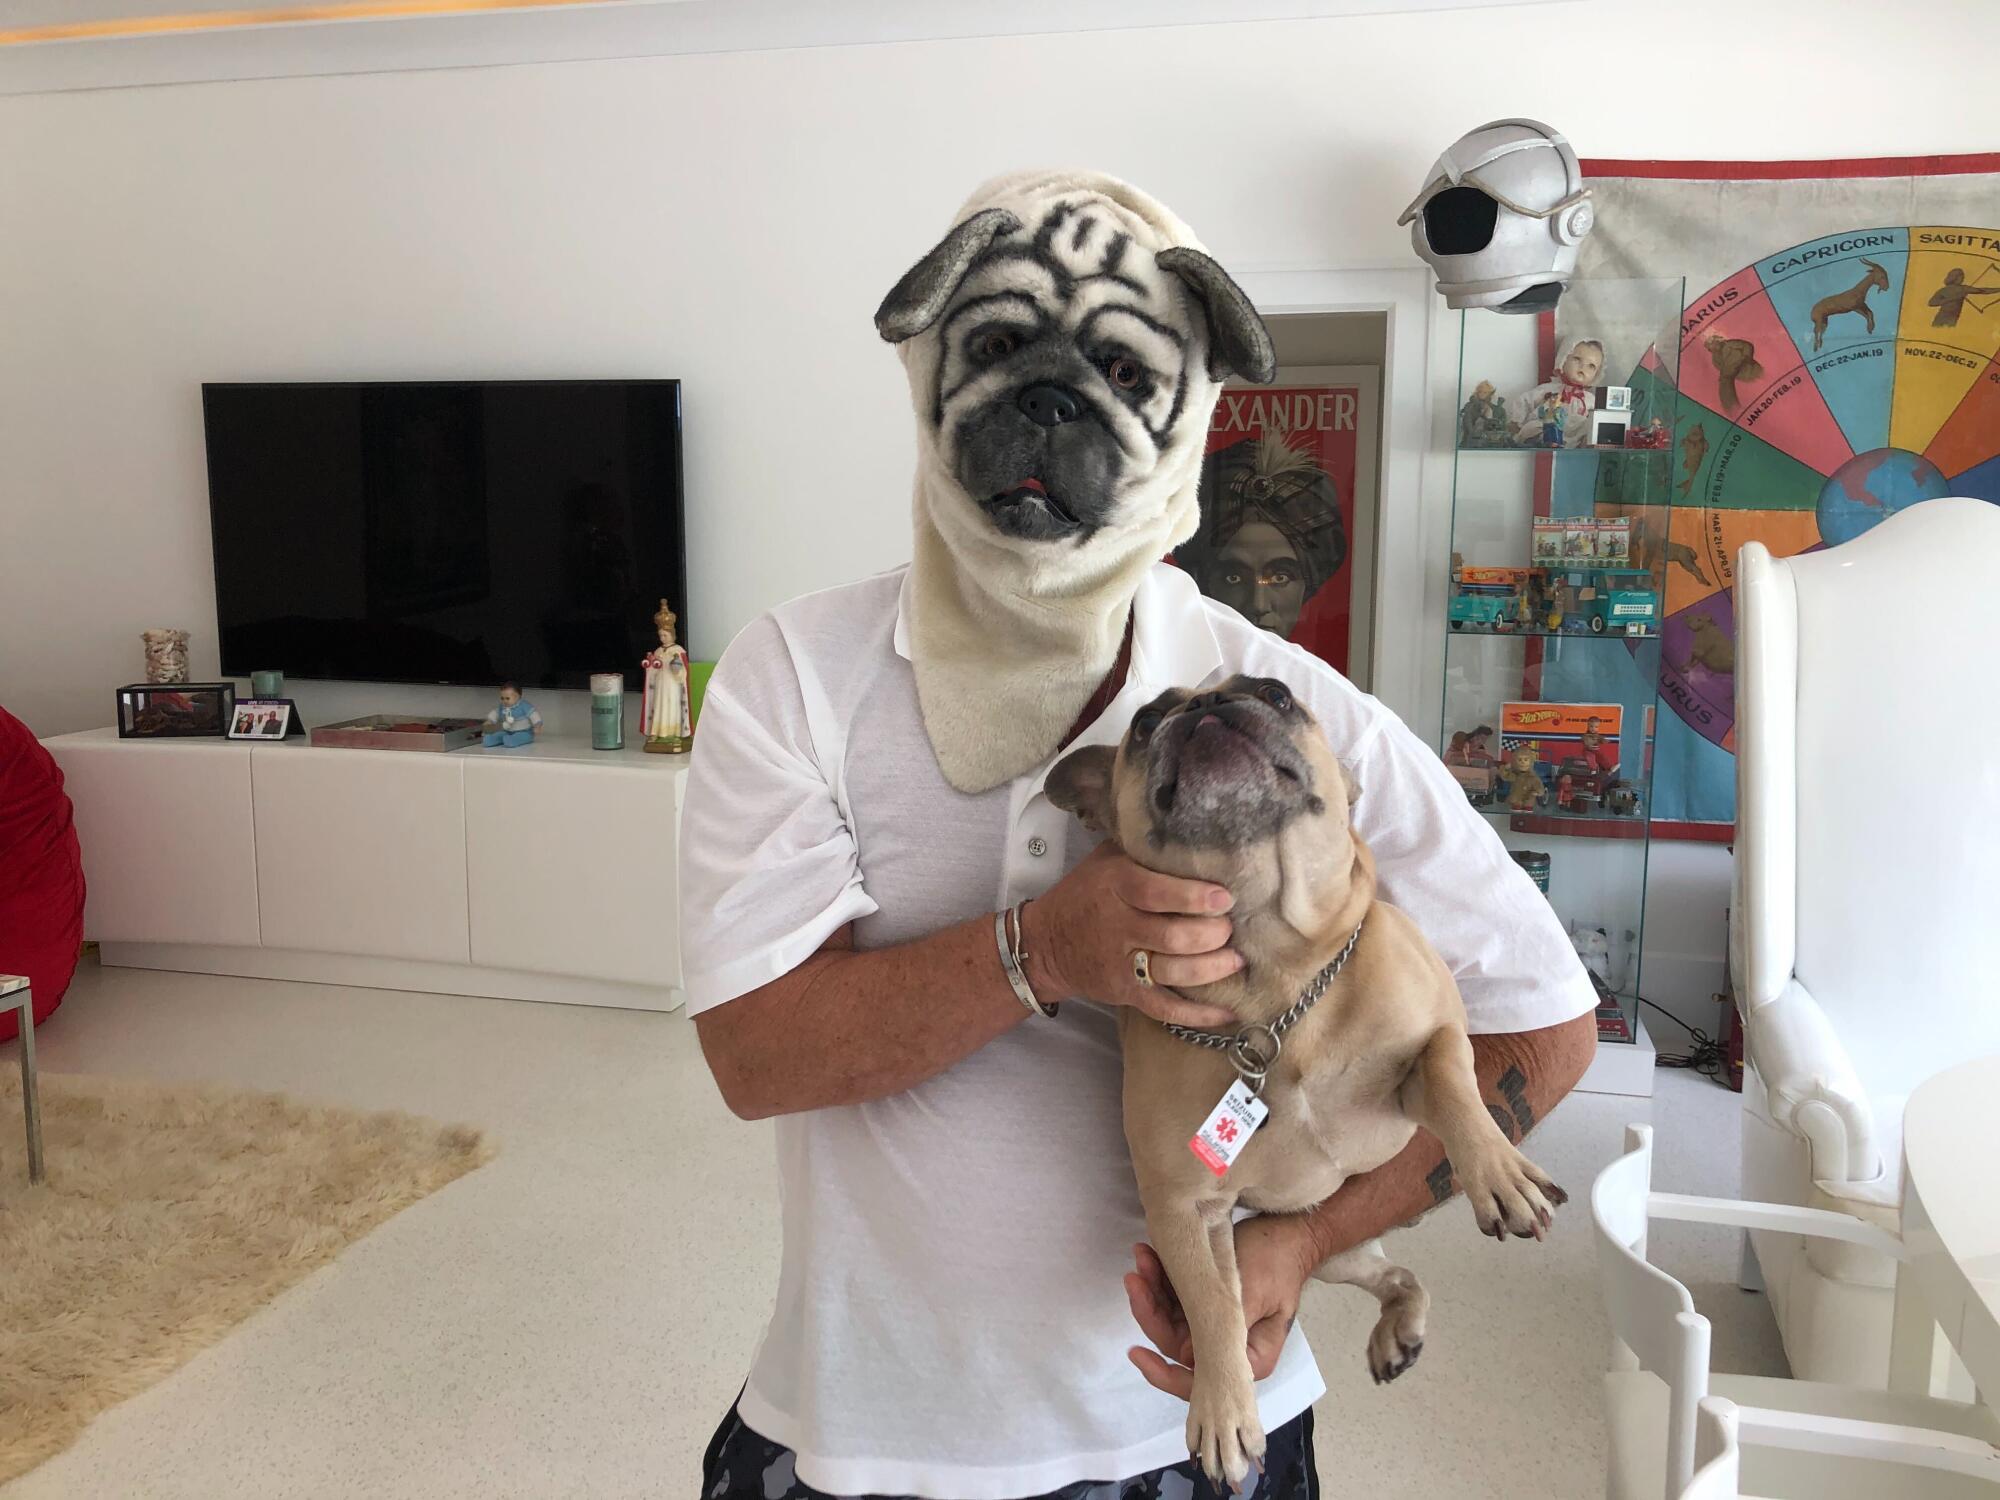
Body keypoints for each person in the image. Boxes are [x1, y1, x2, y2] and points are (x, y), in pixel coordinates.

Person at [679, 171, 1596, 1500]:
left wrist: (1298, 1246)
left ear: (1200, 400)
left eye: (1119, 363)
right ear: (923, 355)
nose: (1055, 403)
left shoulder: (1282, 712)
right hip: (872, 1423)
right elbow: (754, 1055)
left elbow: (1547, 1030)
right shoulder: (795, 673)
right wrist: (1042, 952)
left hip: (1197, 1422)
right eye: (996, 348)